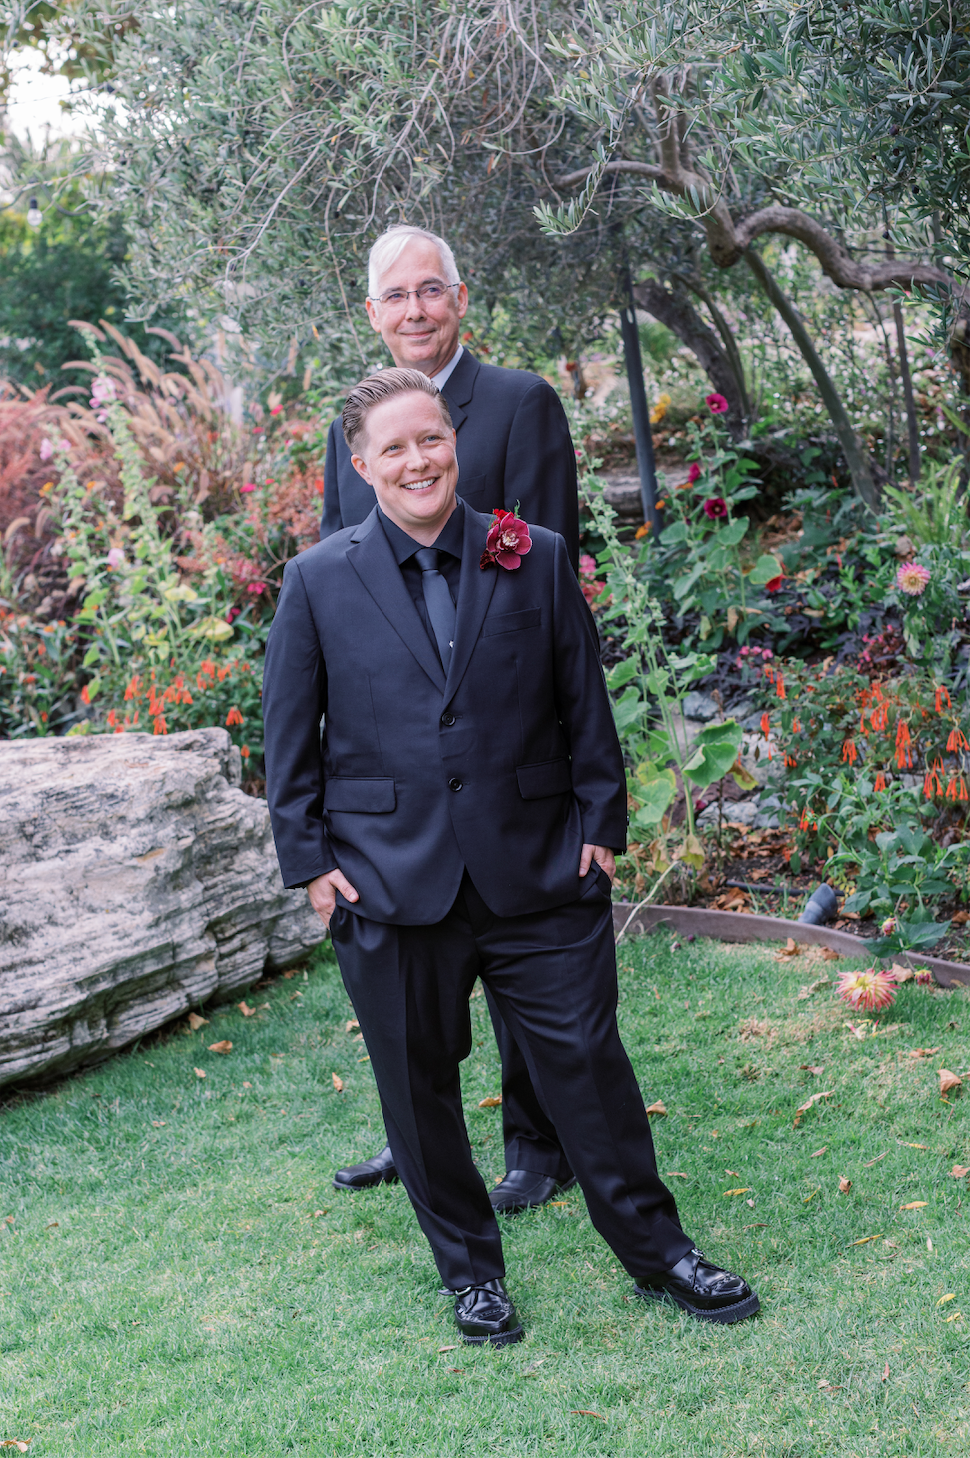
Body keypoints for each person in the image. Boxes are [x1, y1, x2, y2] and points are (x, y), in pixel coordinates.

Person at [263, 368, 759, 1345]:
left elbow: (584, 705)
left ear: (454, 441)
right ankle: (471, 1275)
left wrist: (599, 830)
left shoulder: (530, 555)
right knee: (417, 1089)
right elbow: (289, 737)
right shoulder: (318, 581)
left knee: (587, 1067)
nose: (418, 460)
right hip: (388, 881)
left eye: (430, 438)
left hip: (540, 870)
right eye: (393, 448)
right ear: (361, 466)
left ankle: (661, 1256)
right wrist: (310, 864)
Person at [322, 223, 578, 1212]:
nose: (416, 311)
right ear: (373, 313)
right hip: (397, 751)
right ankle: (416, 1139)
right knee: (407, 968)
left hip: (507, 740)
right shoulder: (354, 430)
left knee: (520, 950)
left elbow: (558, 582)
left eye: (432, 290)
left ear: (460, 300)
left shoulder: (518, 405)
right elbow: (334, 590)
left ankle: (535, 1146)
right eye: (397, 296)